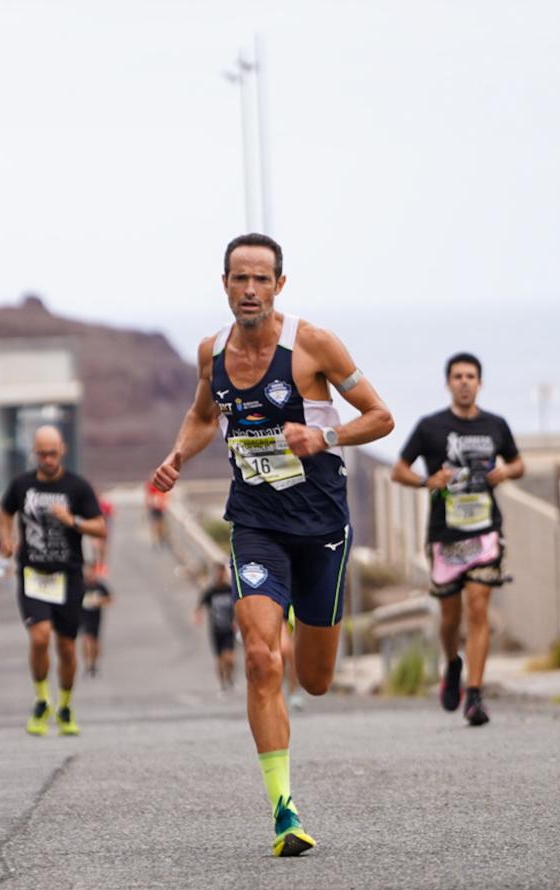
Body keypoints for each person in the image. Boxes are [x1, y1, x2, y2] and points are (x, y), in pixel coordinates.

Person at [152, 232, 394, 857]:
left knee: (313, 680)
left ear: (279, 285)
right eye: (240, 278)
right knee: (260, 659)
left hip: (321, 526)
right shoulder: (212, 352)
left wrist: (326, 438)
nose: (251, 289)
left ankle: (292, 636)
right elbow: (206, 415)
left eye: (262, 279)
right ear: (225, 284)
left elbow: (380, 416)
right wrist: (179, 456)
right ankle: (284, 812)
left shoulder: (313, 345)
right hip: (256, 523)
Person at [390, 352, 524, 727]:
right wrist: (425, 481)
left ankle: (475, 696)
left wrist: (505, 472)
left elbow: (519, 463)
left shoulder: (496, 425)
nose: (464, 382)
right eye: (458, 376)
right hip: (445, 536)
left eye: (471, 376)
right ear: (448, 383)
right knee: (450, 619)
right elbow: (397, 470)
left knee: (478, 607)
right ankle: (452, 664)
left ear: (480, 383)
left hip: (484, 530)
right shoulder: (430, 427)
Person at [0, 425, 107, 738]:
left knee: (67, 648)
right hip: (33, 574)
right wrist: (6, 538)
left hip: (69, 576)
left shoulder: (77, 487)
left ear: (62, 450)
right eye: (42, 453)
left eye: (53, 453)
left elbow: (100, 527)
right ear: (35, 452)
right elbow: (4, 512)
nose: (47, 459)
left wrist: (71, 520)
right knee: (40, 637)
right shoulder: (22, 485)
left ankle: (66, 705)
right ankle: (42, 699)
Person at [195, 561, 238, 691]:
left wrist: (238, 620)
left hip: (229, 629)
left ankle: (229, 676)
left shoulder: (230, 590)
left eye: (221, 572)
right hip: (216, 629)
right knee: (219, 659)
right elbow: (199, 606)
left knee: (229, 659)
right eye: (217, 572)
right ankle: (222, 683)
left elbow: (238, 606)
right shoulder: (211, 591)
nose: (219, 575)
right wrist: (198, 616)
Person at [79, 562, 112, 678]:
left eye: (92, 571)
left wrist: (99, 601)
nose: (89, 574)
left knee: (94, 642)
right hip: (83, 617)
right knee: (85, 639)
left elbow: (110, 599)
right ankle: (87, 664)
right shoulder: (80, 585)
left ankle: (93, 664)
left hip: (95, 617)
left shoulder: (99, 586)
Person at [144, 481, 169, 548]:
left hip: (160, 508)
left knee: (160, 525)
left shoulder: (161, 486)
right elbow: (148, 497)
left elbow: (164, 496)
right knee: (155, 525)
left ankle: (160, 539)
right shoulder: (151, 486)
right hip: (154, 508)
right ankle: (155, 541)